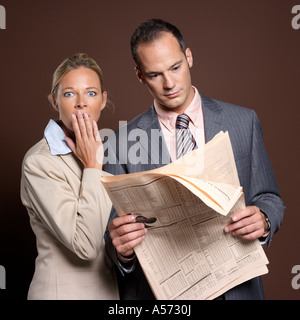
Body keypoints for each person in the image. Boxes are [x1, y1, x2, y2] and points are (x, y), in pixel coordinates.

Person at [104, 19, 285, 300]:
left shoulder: (243, 121)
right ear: (140, 76)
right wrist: (121, 248)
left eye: (175, 67)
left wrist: (264, 218)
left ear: (189, 57)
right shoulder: (119, 144)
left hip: (237, 290)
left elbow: (270, 198)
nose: (169, 83)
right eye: (155, 74)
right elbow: (112, 234)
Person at [20, 53, 119, 300]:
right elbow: (86, 246)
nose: (81, 103)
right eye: (69, 93)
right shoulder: (39, 162)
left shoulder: (108, 153)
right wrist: (93, 167)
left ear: (104, 100)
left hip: (108, 292)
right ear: (54, 101)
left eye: (91, 93)